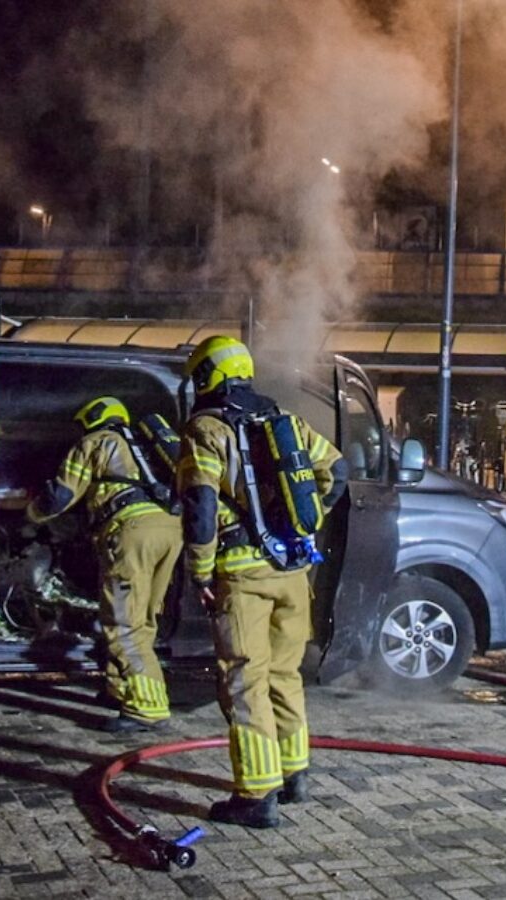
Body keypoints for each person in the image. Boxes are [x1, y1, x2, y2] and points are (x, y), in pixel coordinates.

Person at [178, 336, 347, 829]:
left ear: (207, 376)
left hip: (242, 577)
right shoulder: (284, 421)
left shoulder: (206, 430)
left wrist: (200, 570)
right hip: (294, 573)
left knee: (245, 680)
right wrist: (303, 522)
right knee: (285, 675)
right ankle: (293, 774)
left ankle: (255, 795)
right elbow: (337, 470)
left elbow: (201, 508)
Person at [28, 396, 182, 733]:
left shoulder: (95, 442)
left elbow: (61, 496)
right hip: (171, 530)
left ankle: (148, 706)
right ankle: (121, 688)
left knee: (123, 622)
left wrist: (30, 517)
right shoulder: (147, 445)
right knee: (144, 618)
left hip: (131, 532)